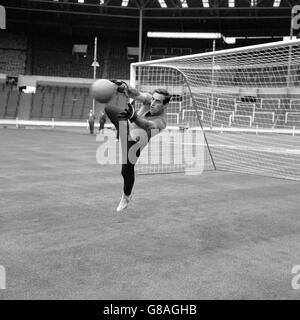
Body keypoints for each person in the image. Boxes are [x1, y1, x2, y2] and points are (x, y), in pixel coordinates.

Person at [104, 80, 170, 212]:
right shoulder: (149, 100)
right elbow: (136, 93)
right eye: (153, 99)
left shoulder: (162, 121)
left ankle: (126, 196)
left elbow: (147, 125)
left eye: (158, 101)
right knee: (109, 108)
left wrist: (133, 116)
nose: (153, 103)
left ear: (165, 105)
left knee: (125, 171)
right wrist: (123, 87)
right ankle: (120, 133)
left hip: (134, 143)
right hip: (126, 127)